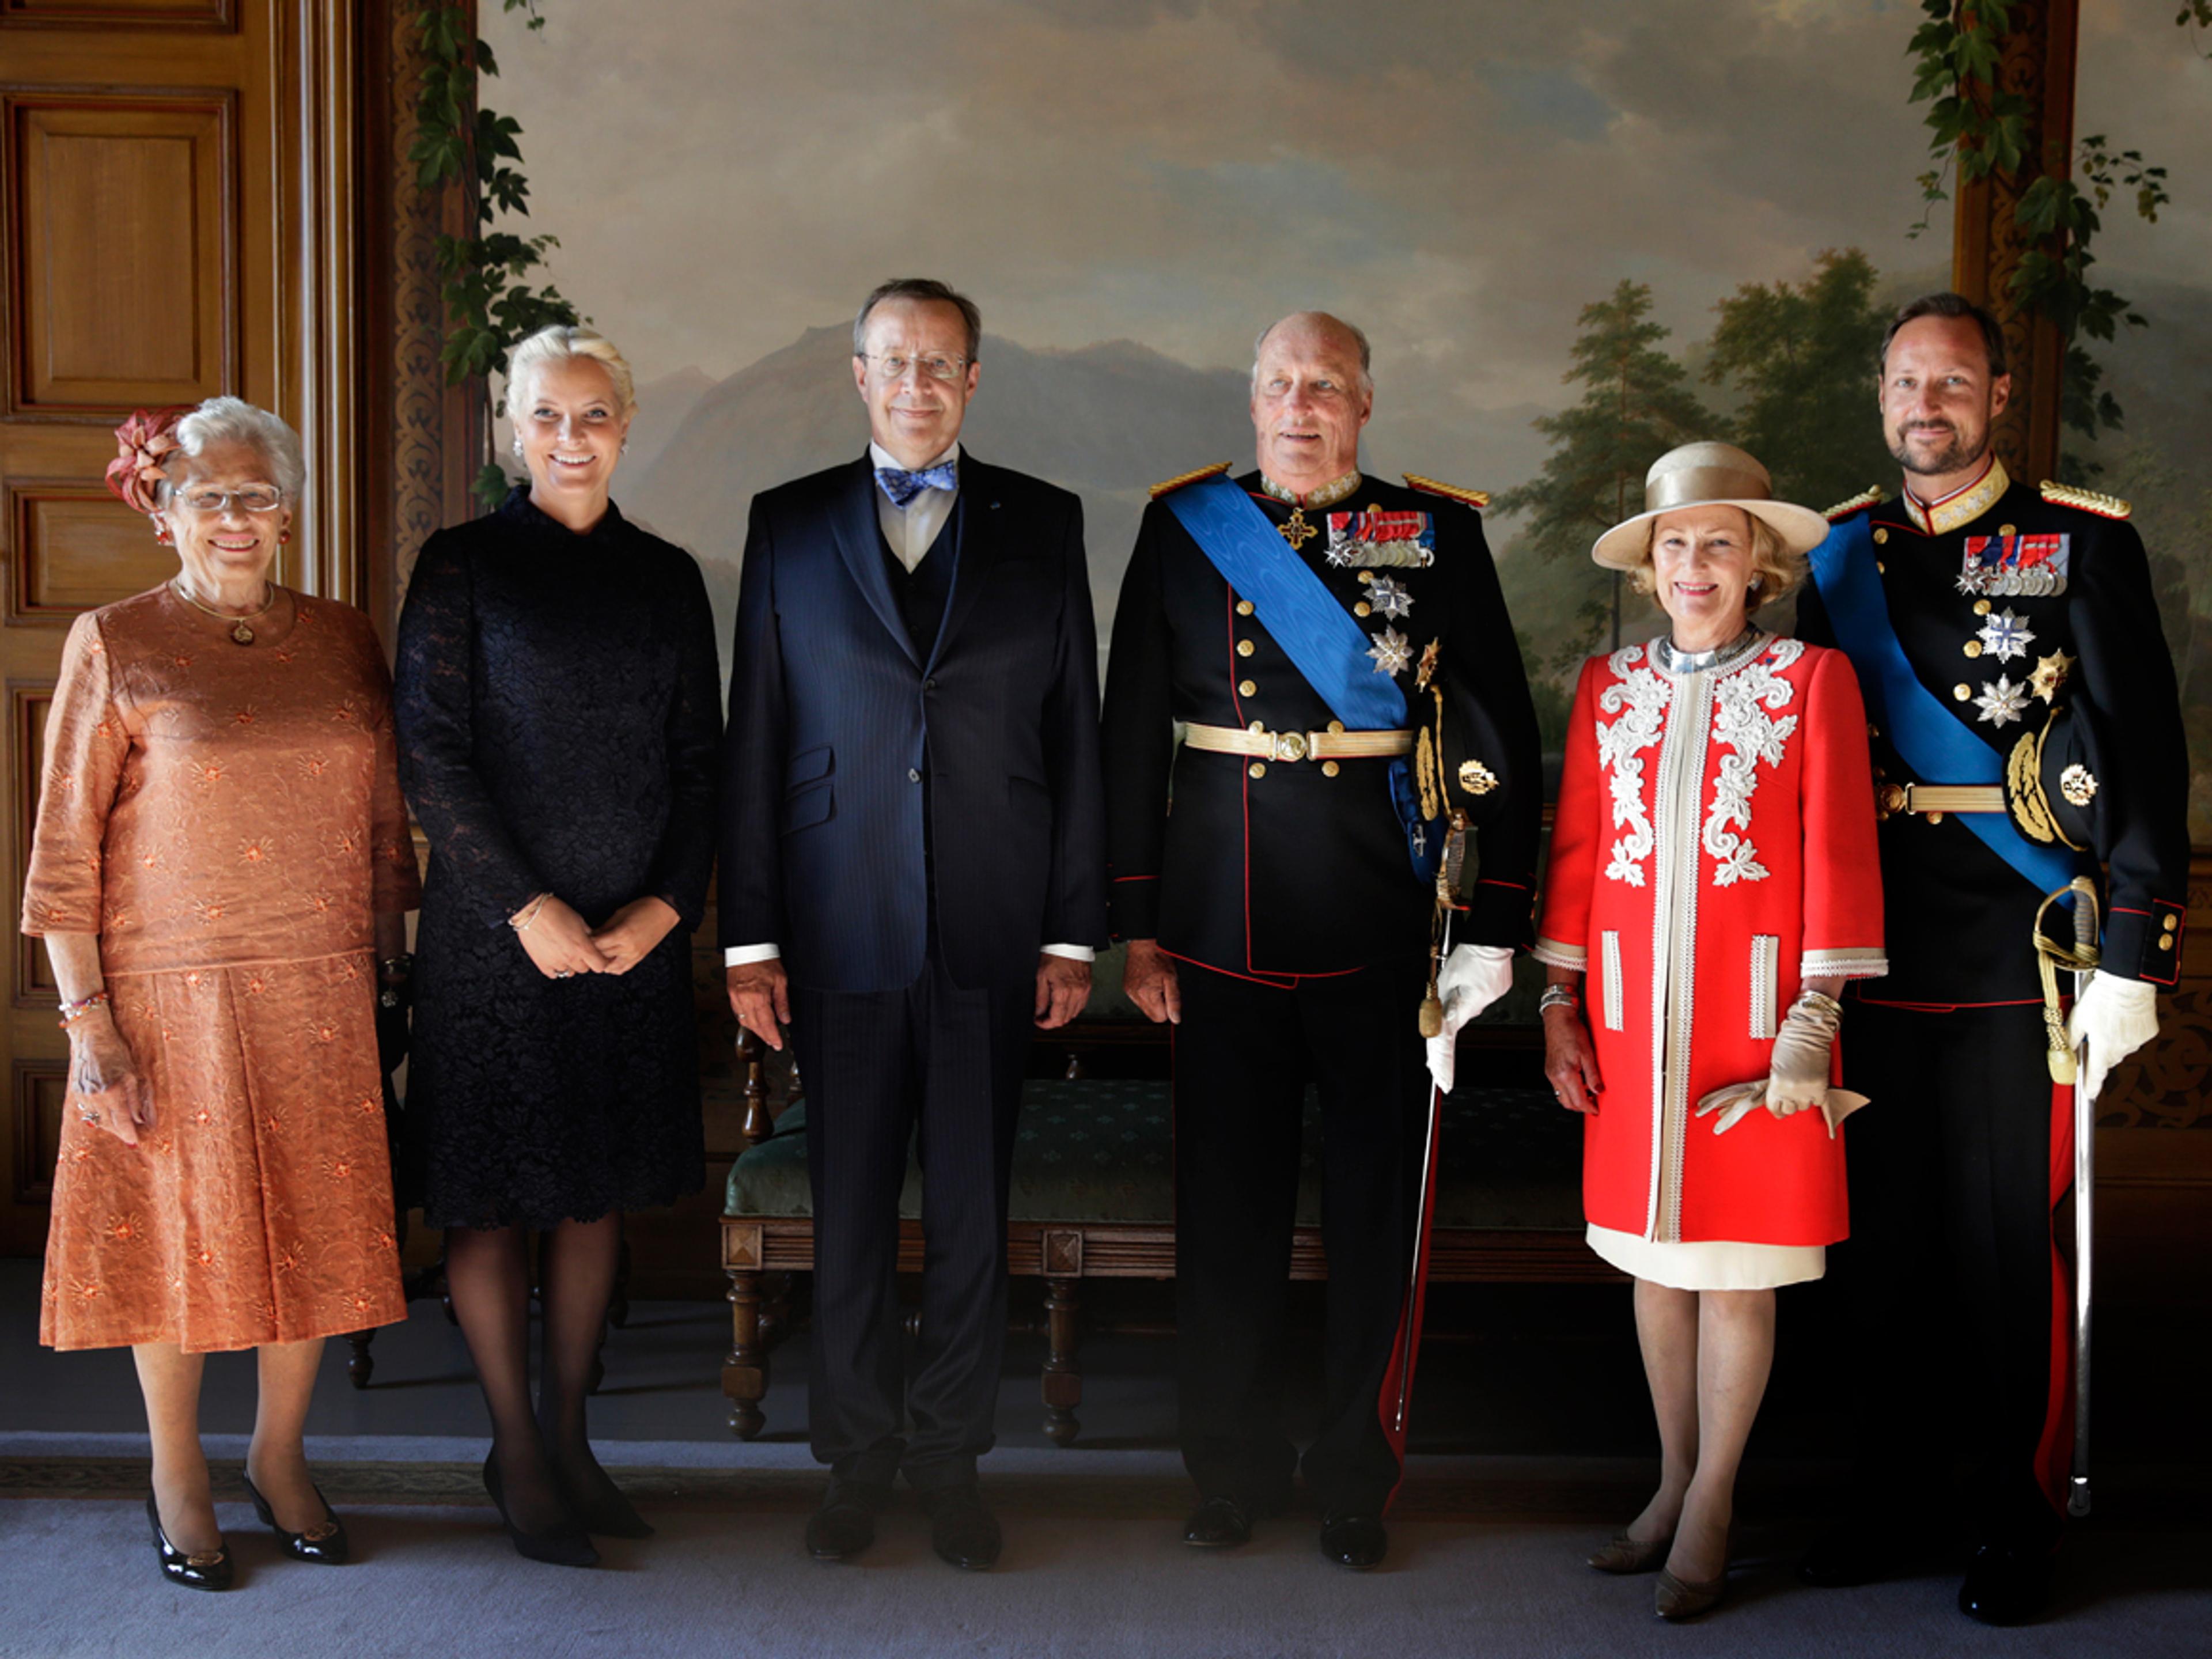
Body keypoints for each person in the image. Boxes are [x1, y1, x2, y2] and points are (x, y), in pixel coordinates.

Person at [1101, 311, 1543, 1570]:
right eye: (1283, 385)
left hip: (1386, 927)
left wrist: (1491, 929)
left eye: (1328, 386)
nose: (1303, 407)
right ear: (1253, 401)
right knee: (1225, 1218)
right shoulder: (1186, 525)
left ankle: (1357, 1474)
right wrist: (1137, 926)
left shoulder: (1438, 531)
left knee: (1373, 1217)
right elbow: (1131, 731)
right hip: (1219, 925)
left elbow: (1502, 735)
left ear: (1365, 402)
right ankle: (1228, 1471)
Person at [1794, 293, 2190, 1624]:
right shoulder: (1833, 552)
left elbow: (2143, 753)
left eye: (1954, 381)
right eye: (1908, 382)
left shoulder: (2080, 542)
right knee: (1880, 1251)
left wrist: (2134, 949)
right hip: (1867, 952)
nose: (1928, 405)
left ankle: (2016, 1515)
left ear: (2000, 396)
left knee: (2006, 1251)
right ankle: (1891, 1495)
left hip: (2023, 955)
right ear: (1882, 395)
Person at [721, 278, 1105, 1571]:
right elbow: (758, 733)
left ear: (974, 379)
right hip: (836, 923)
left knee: (971, 1222)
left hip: (996, 924)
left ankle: (951, 1463)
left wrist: (1073, 933)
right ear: (859, 373)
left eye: (942, 363)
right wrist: (750, 939)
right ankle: (855, 1462)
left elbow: (1078, 732)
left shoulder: (1047, 522)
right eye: (895, 361)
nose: (917, 384)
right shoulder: (788, 523)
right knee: (846, 1218)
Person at [24, 400, 421, 1588]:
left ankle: (279, 1456)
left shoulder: (345, 637)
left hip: (322, 986)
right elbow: (63, 852)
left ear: (288, 511)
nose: (237, 517)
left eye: (257, 494)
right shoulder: (115, 640)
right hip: (168, 999)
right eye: (209, 496)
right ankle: (176, 1472)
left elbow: (384, 824)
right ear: (164, 510)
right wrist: (88, 1026)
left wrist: (391, 969)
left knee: (316, 1233)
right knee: (175, 1241)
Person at [1533, 441, 1885, 1620]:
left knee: (1738, 1274)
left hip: (1761, 1026)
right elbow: (1578, 855)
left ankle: (1717, 1502)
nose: (1694, 564)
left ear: (1759, 561)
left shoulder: (1809, 680)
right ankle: (1672, 1480)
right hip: (1631, 1024)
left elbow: (1842, 857)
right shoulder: (1609, 686)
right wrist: (1560, 1005)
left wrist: (1812, 1024)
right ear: (1651, 566)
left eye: (1718, 543)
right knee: (1656, 1265)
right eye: (1675, 544)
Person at [393, 324, 720, 1567]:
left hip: (632, 938)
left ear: (625, 427)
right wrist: (527, 909)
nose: (569, 437)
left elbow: (703, 766)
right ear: (511, 428)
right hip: (495, 939)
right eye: (546, 416)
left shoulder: (668, 578)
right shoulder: (463, 566)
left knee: (595, 1194)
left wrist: (664, 911)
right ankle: (518, 1450)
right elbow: (431, 756)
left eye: (592, 416)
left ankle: (575, 1439)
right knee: (492, 1200)